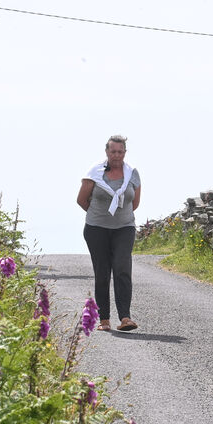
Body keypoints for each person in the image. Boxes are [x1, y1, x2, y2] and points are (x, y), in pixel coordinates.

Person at [77, 135, 141, 331]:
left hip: (124, 228)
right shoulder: (94, 173)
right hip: (97, 229)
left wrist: (119, 217)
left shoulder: (132, 174)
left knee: (122, 268)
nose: (116, 155)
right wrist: (100, 216)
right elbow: (81, 200)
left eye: (120, 152)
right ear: (107, 152)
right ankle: (104, 320)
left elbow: (134, 202)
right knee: (102, 272)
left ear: (125, 153)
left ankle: (125, 317)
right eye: (113, 151)